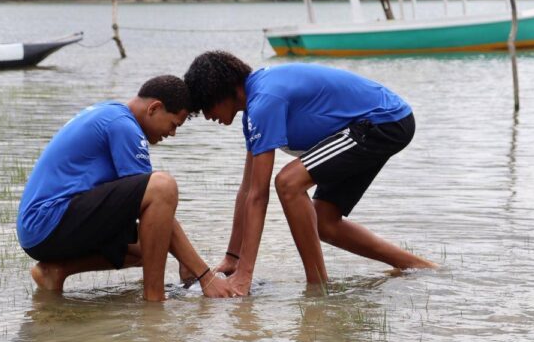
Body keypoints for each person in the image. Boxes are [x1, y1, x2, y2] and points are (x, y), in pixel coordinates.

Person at [184, 52, 437, 295]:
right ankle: (419, 268)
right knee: (324, 222)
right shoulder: (254, 109)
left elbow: (259, 196)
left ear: (219, 92)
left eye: (205, 107)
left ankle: (317, 286)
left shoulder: (264, 100)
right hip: (380, 121)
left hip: (385, 120)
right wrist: (233, 258)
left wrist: (244, 276)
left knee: (288, 182)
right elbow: (248, 189)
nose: (207, 116)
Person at [16, 75, 236, 301]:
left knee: (151, 246)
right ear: (154, 108)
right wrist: (206, 277)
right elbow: (158, 195)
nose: (172, 134)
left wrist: (186, 261)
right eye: (173, 125)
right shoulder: (123, 125)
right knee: (163, 185)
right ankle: (154, 300)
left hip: (38, 231)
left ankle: (55, 272)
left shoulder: (114, 114)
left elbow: (155, 217)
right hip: (47, 222)